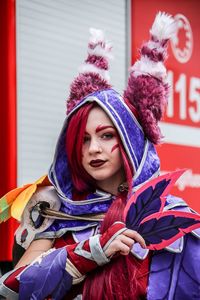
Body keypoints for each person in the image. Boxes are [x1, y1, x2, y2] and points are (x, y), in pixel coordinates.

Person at [0, 12, 200, 300]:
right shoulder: (55, 211)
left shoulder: (170, 213)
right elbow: (9, 291)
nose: (93, 148)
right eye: (83, 140)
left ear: (130, 139)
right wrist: (92, 251)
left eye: (106, 135)